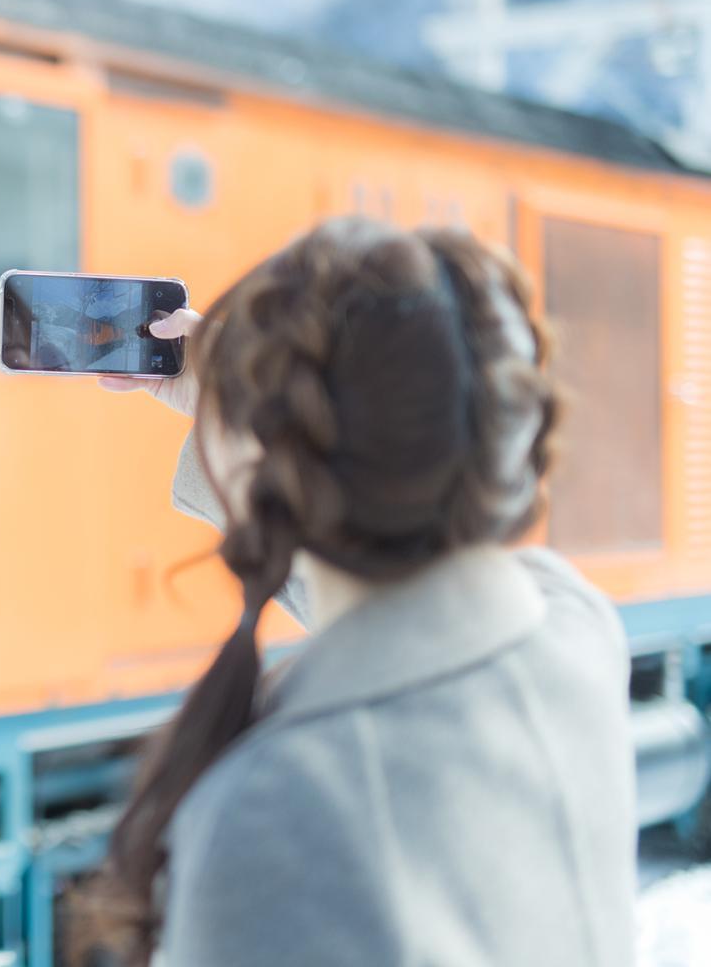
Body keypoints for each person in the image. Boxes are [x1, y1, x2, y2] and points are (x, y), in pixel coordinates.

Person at [87, 217, 635, 965]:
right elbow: (399, 597)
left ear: (260, 458)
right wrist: (255, 415)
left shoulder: (271, 812)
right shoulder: (573, 631)